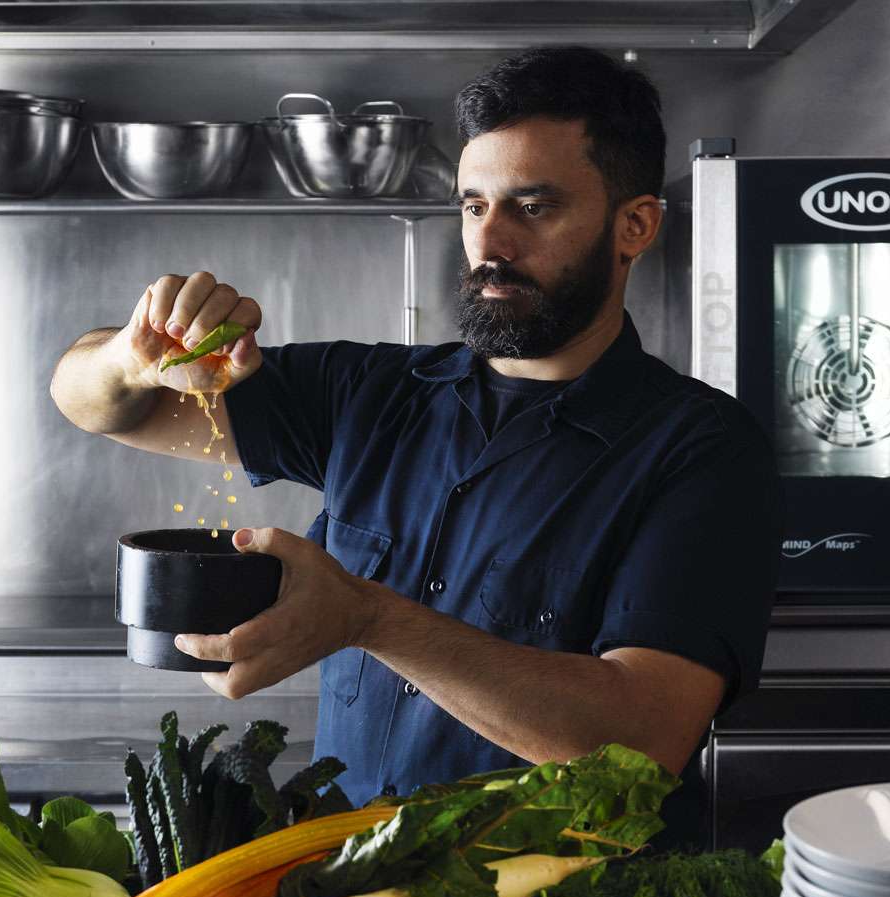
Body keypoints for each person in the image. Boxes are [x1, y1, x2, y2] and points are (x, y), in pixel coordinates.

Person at [51, 46, 781, 849]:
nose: (490, 244)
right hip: (347, 895)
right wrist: (132, 351)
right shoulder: (369, 394)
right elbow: (98, 407)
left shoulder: (703, 450)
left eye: (532, 207)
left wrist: (368, 617)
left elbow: (640, 739)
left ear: (633, 225)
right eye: (473, 207)